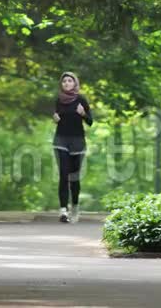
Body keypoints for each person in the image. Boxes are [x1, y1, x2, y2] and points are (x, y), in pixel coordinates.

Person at [52, 72, 93, 223]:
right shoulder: (59, 100)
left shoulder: (81, 99)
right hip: (61, 140)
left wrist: (83, 114)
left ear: (75, 83)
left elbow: (90, 121)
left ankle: (74, 205)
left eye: (69, 81)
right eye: (64, 81)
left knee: (74, 177)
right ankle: (63, 210)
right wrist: (55, 119)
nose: (67, 83)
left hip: (77, 142)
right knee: (64, 174)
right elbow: (57, 116)